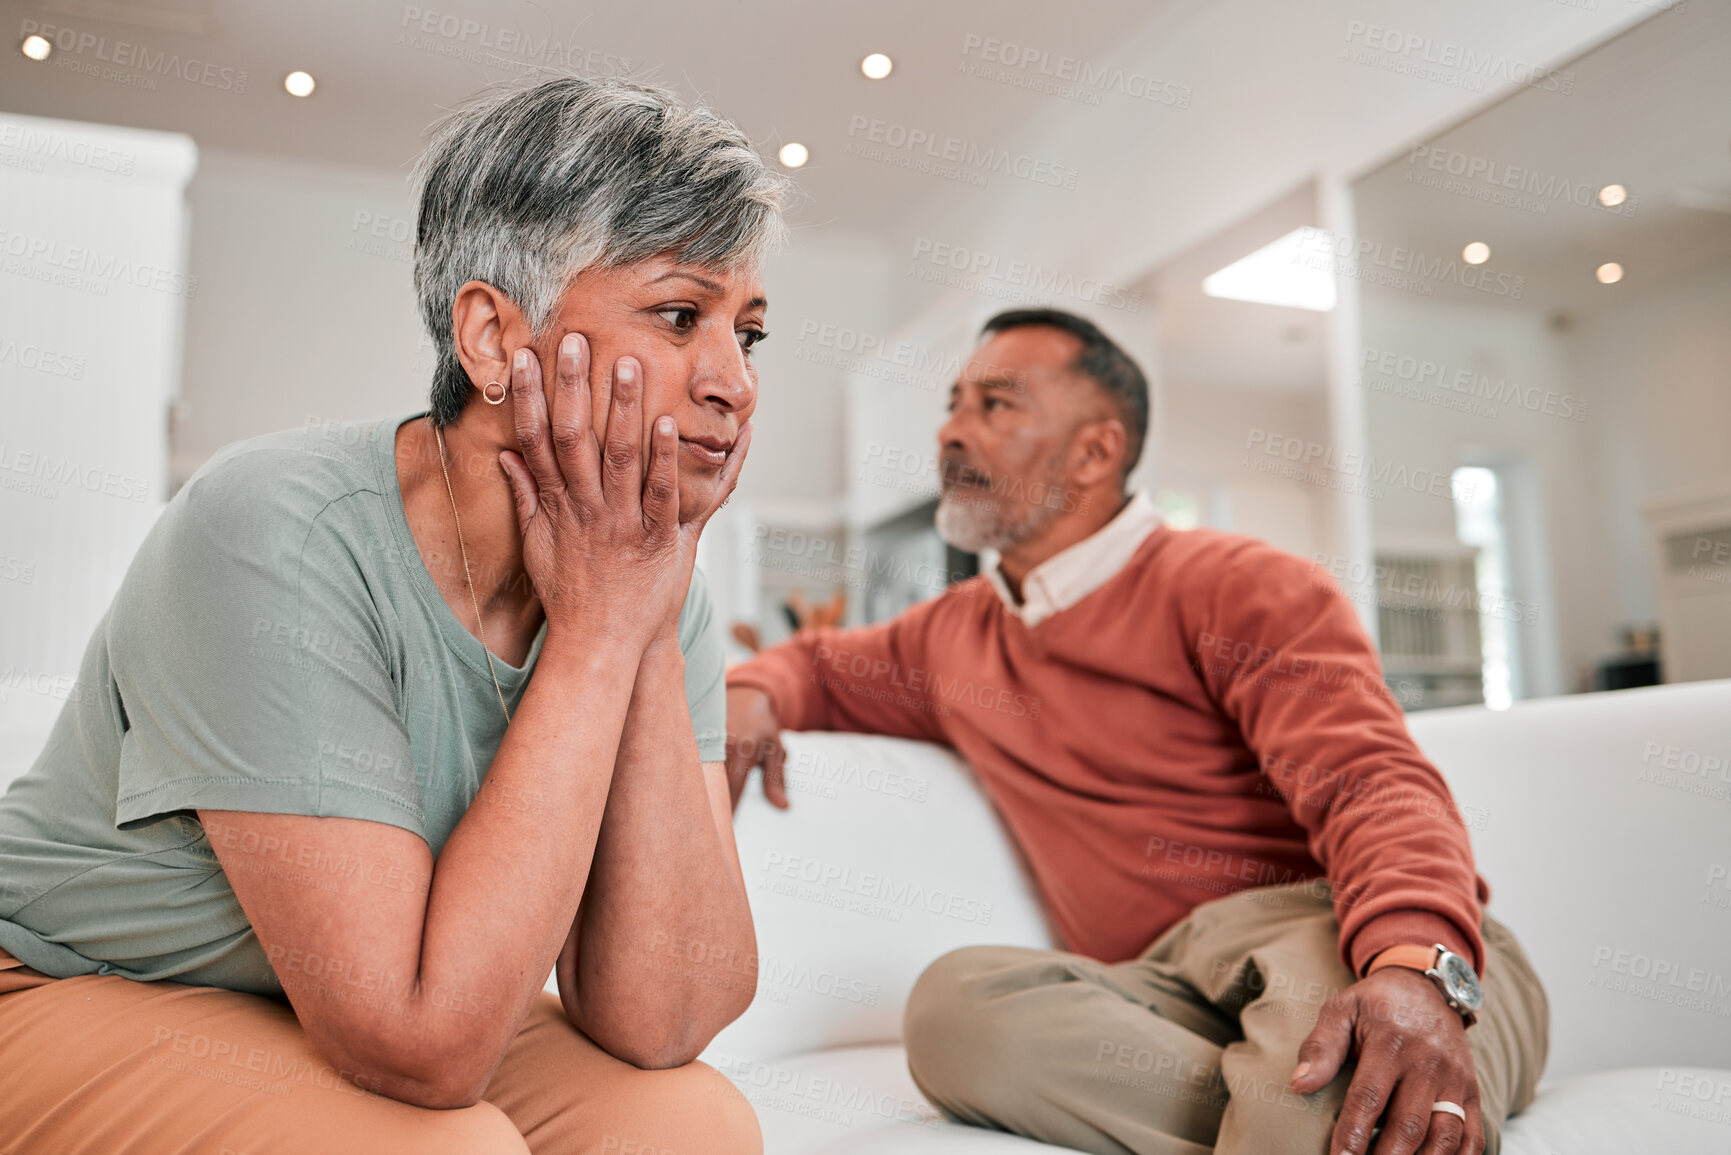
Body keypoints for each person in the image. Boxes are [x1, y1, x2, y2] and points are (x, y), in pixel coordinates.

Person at [0, 74, 789, 1154]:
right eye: (680, 315)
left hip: (332, 996)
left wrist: (640, 626)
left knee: (690, 1123)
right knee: (440, 1147)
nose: (734, 384)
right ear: (491, 337)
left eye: (750, 334)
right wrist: (602, 635)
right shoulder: (274, 525)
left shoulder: (646, 572)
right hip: (60, 979)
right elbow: (422, 1044)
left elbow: (667, 1018)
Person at [724, 308, 1549, 1155]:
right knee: (956, 1010)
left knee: (1314, 1085)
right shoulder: (948, 636)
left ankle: (1317, 1100)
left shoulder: (1240, 585)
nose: (950, 432)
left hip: (1339, 938)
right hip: (1164, 984)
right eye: (953, 403)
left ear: (1094, 451)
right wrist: (751, 690)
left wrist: (1413, 971)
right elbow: (815, 666)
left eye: (995, 405)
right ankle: (1273, 1108)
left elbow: (1369, 782)